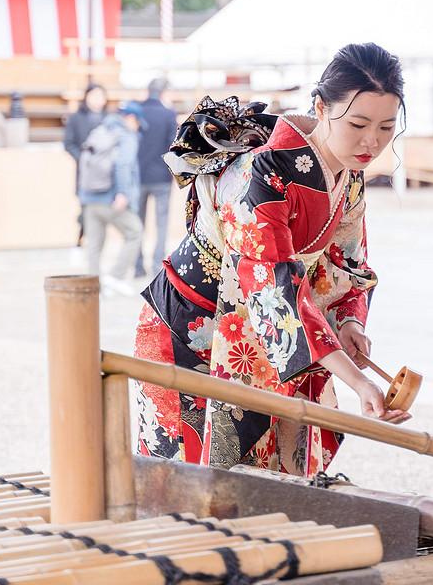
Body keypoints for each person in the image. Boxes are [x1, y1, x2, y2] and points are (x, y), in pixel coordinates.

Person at [133, 43, 410, 478]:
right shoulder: (263, 173)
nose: (370, 141)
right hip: (190, 330)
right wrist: (356, 381)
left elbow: (347, 265)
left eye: (386, 127)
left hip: (259, 330)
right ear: (320, 107)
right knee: (180, 484)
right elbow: (273, 289)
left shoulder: (349, 177)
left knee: (266, 486)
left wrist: (350, 323)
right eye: (357, 123)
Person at [79, 101, 145, 297]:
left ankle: (93, 288)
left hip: (90, 197)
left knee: (94, 244)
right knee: (135, 232)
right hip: (111, 198)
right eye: (138, 122)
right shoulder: (126, 136)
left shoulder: (99, 130)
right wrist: (122, 193)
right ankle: (116, 276)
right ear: (131, 119)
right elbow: (123, 165)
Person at [133, 78, 177, 277]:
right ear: (163, 92)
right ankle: (158, 265)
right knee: (161, 223)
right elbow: (173, 147)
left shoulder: (135, 111)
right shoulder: (168, 114)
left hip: (137, 177)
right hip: (161, 177)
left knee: (137, 223)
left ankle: (138, 266)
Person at [64, 83, 109, 248]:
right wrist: (84, 160)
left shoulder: (109, 118)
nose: (97, 99)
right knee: (86, 209)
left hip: (105, 174)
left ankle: (95, 245)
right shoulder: (76, 118)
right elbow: (69, 143)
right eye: (94, 95)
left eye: (100, 95)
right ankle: (81, 239)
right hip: (85, 173)